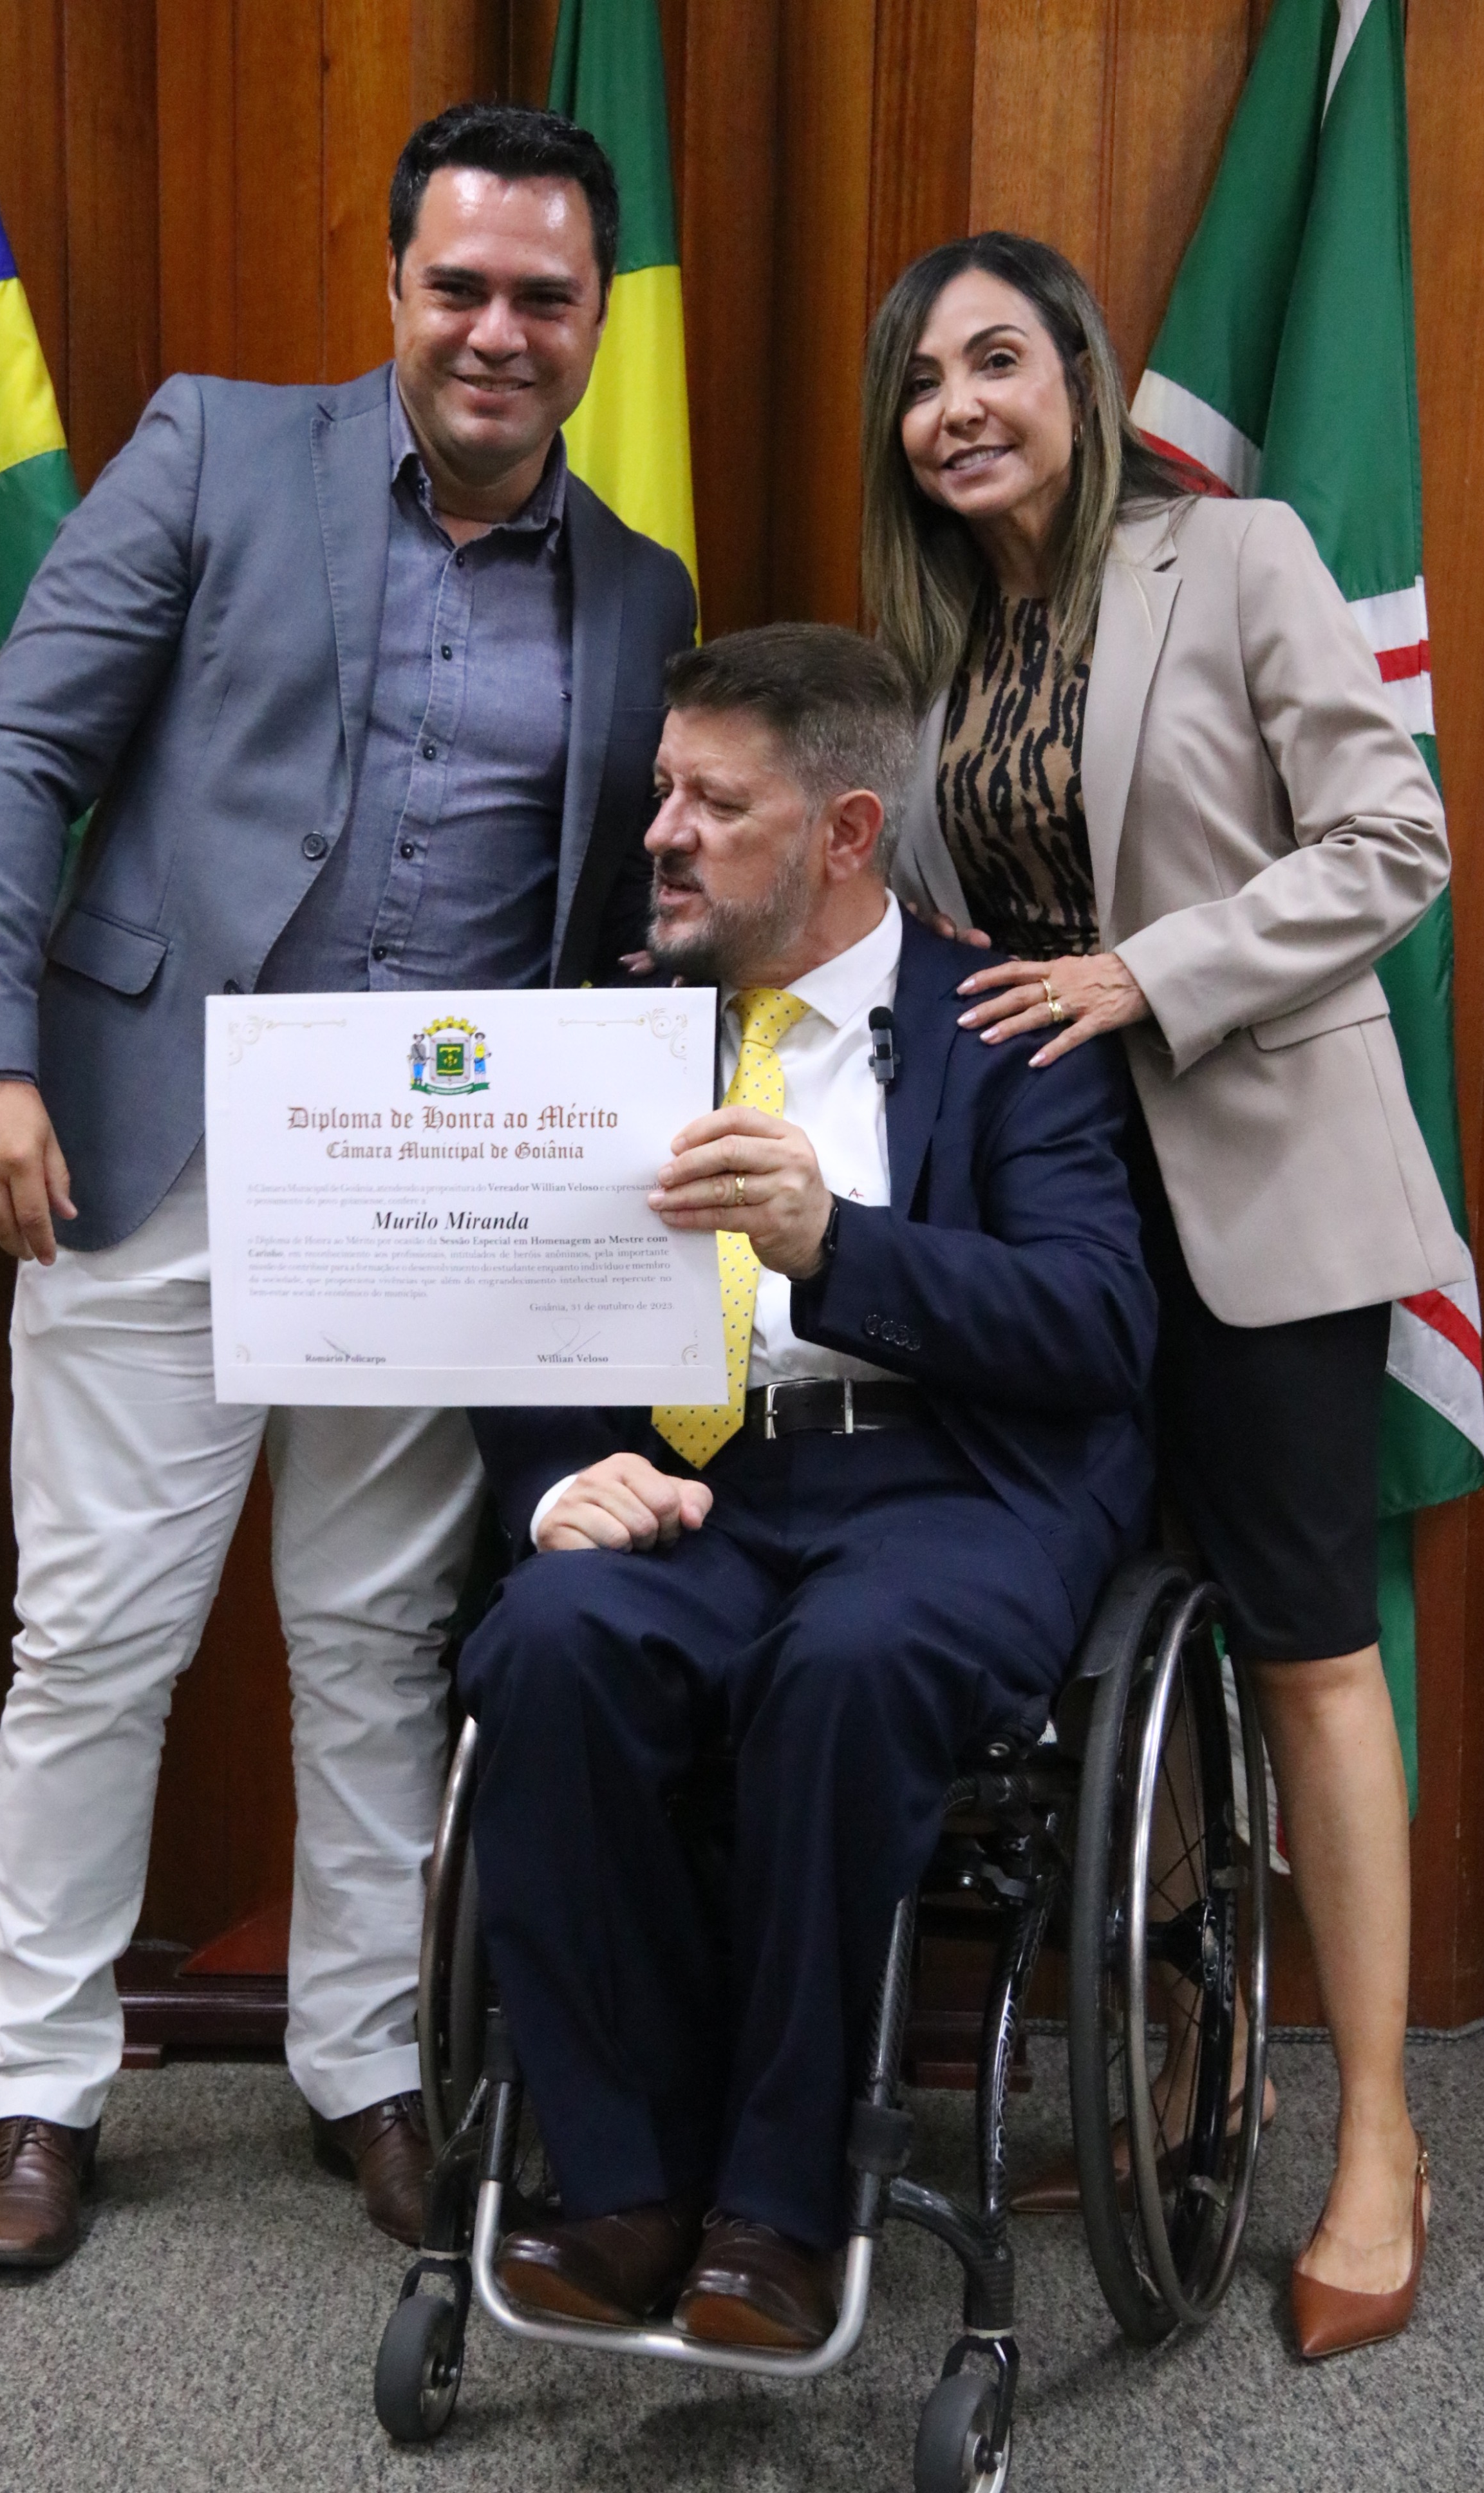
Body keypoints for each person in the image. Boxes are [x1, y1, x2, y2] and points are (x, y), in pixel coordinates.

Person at [0, 100, 696, 2272]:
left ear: (596, 319)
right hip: (152, 1142)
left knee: (374, 1644)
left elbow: (621, 917)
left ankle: (368, 2067)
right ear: (396, 288)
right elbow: (24, 754)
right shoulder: (215, 449)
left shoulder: (645, 590)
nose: (499, 331)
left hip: (428, 1199)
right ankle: (41, 2086)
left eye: (545, 296)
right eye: (462, 286)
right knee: (99, 1640)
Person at [862, 229, 1457, 2358]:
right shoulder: (933, 663)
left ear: (1085, 378)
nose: (958, 407)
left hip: (1260, 1192)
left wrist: (1147, 973)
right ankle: (1203, 2065)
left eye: (996, 360)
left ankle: (1378, 2134)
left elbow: (1394, 843)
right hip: (1053, 1231)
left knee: (1300, 1644)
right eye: (922, 382)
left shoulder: (1239, 558)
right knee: (1123, 1640)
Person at [457, 623, 1156, 2349]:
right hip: (697, 1487)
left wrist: (840, 1244)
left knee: (850, 1670)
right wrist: (556, 1480)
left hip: (948, 1489)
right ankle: (625, 2186)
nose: (661, 834)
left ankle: (779, 2212)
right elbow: (508, 1301)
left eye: (714, 803)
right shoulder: (613, 1035)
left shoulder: (1004, 1033)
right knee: (548, 1641)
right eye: (661, 791)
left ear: (847, 833)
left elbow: (1098, 1325)